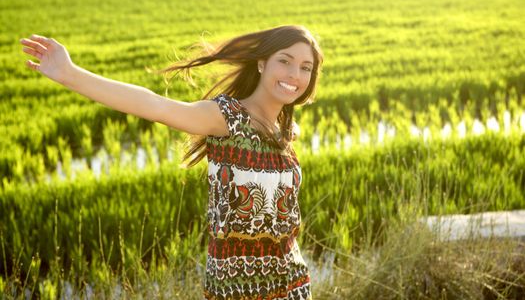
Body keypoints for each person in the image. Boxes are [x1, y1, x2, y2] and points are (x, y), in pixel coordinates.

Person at [19, 24, 323, 299]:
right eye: (285, 61)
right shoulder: (228, 117)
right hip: (236, 291)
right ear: (261, 63)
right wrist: (70, 74)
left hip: (292, 287)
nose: (295, 75)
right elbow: (154, 105)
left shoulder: (285, 132)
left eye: (305, 68)